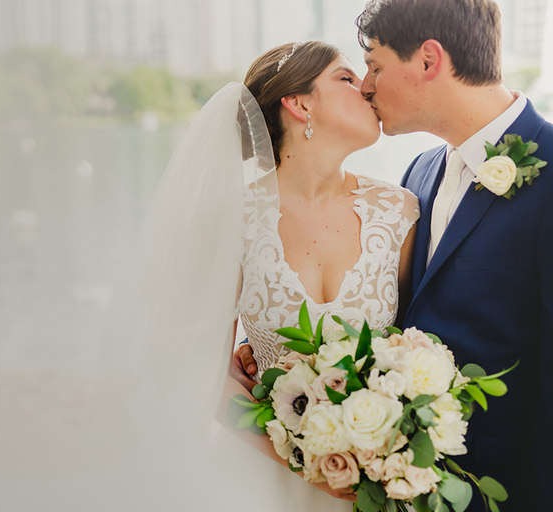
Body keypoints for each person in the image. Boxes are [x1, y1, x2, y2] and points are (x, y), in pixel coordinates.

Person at [235, 0, 553, 509]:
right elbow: (401, 320)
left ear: (428, 61)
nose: (365, 85)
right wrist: (280, 357)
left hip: (501, 488)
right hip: (387, 484)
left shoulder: (550, 168)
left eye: (375, 67)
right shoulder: (418, 178)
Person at [93, 39, 419, 511]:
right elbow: (204, 371)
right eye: (346, 78)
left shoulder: (399, 211)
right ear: (299, 103)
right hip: (259, 478)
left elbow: (413, 344)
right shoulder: (231, 216)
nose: (367, 89)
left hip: (374, 477)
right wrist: (310, 465)